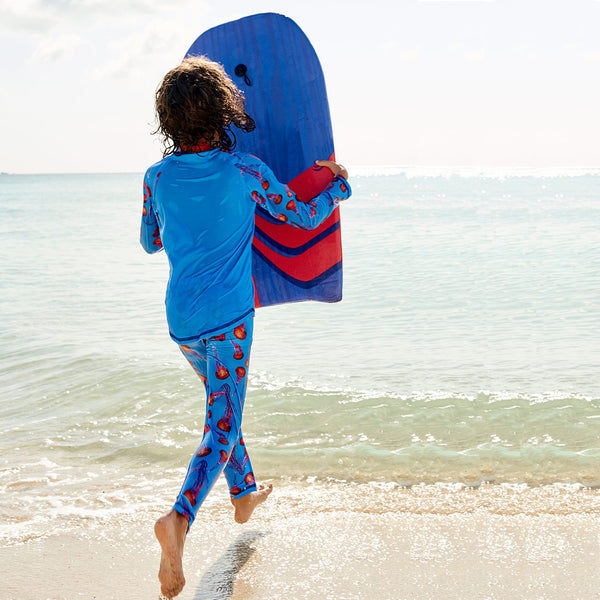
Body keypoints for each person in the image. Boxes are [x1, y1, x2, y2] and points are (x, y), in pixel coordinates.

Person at [140, 55, 351, 599]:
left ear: (169, 119)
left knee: (222, 408)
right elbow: (301, 217)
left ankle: (245, 493)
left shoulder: (156, 177)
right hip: (230, 319)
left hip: (182, 322)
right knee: (223, 423)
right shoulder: (246, 171)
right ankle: (179, 519)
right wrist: (337, 189)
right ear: (225, 111)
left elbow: (150, 242)